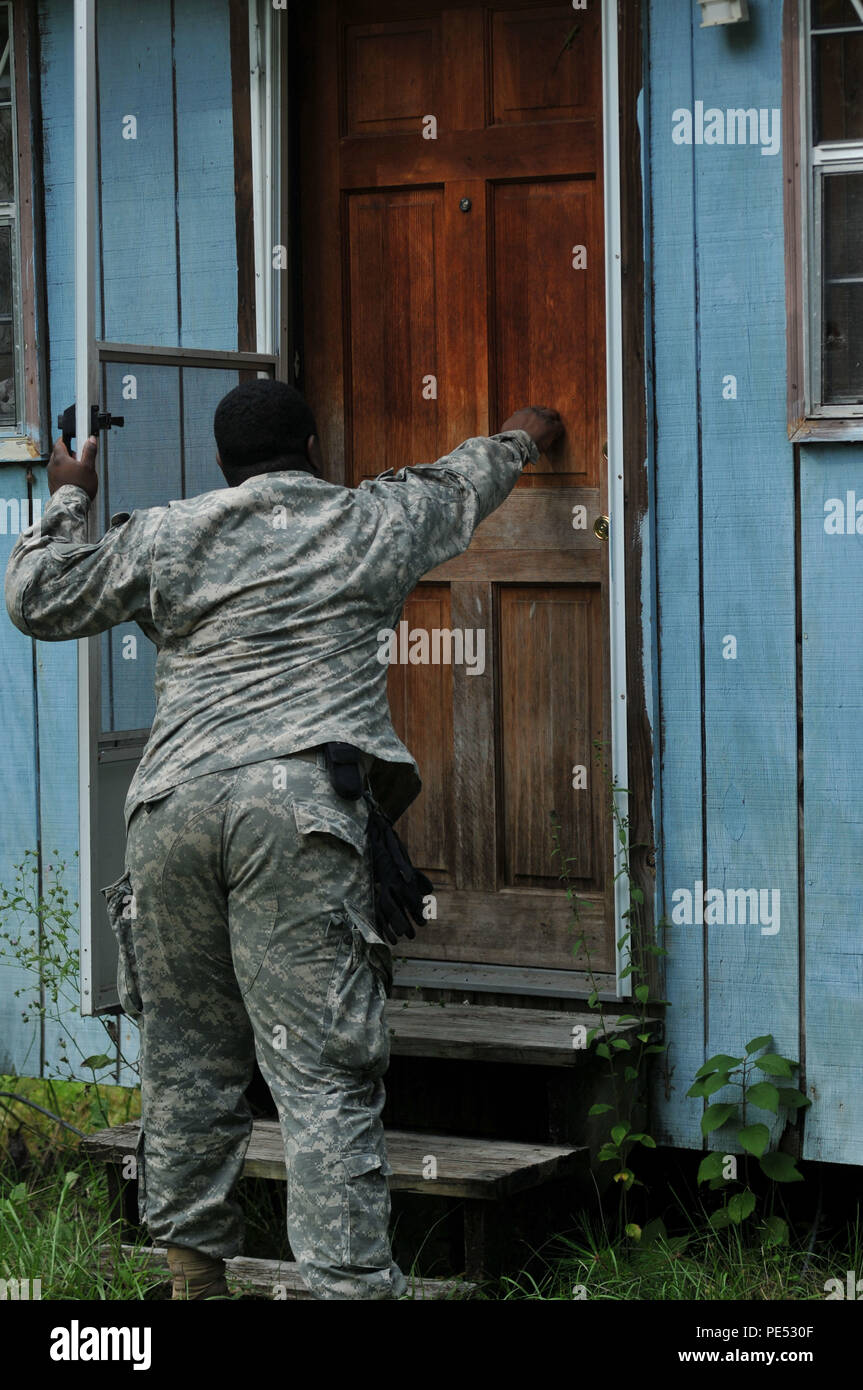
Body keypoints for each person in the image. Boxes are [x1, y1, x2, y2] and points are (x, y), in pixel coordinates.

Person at [4, 381, 563, 1299]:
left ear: (223, 465)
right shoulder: (368, 520)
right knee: (323, 1070)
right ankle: (346, 1289)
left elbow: (36, 598)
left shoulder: (169, 533)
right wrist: (523, 435)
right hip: (296, 810)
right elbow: (463, 479)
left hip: (171, 813)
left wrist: (71, 490)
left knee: (186, 1059)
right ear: (310, 444)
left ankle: (192, 1281)